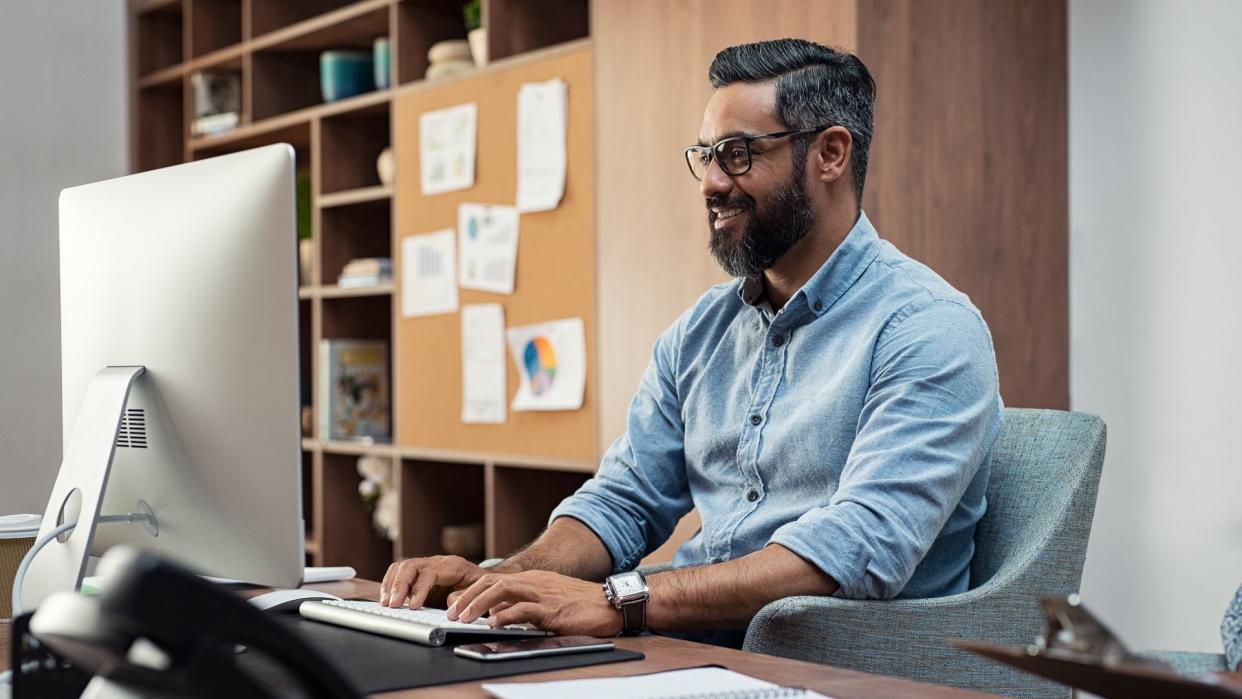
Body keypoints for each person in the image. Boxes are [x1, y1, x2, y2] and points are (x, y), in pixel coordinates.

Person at [380, 38, 1003, 645]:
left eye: (736, 154)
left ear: (831, 154)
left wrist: (623, 601)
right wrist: (501, 583)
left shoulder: (928, 327)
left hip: (842, 670)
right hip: (689, 648)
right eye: (704, 155)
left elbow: (859, 547)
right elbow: (625, 500)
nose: (709, 183)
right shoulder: (701, 332)